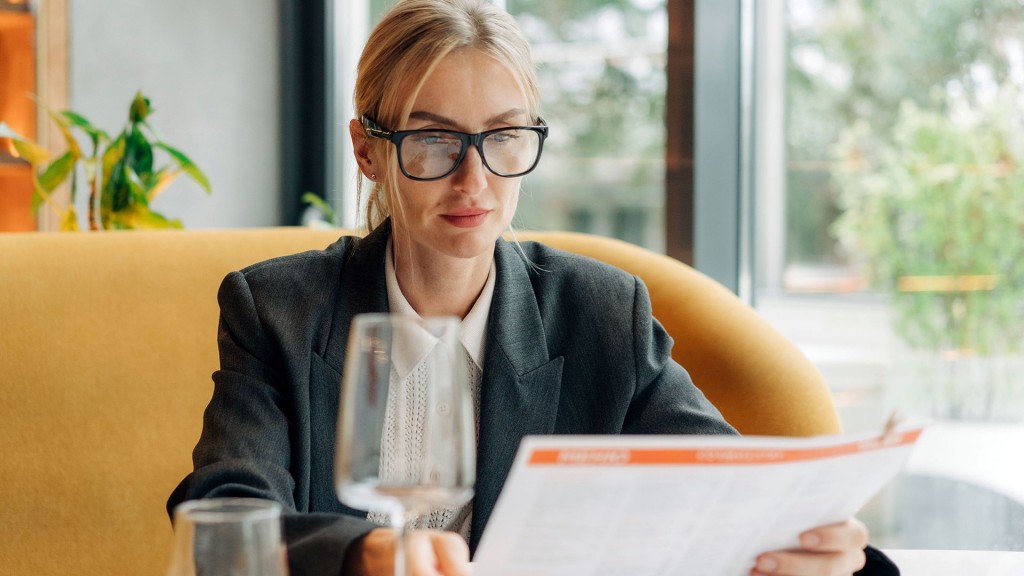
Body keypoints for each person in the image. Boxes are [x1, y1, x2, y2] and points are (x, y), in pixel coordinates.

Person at [169, 1, 897, 574]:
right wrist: (364, 554)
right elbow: (222, 510)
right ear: (367, 149)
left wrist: (833, 556)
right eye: (433, 139)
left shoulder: (600, 314)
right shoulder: (278, 311)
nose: (475, 179)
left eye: (504, 136)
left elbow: (732, 496)